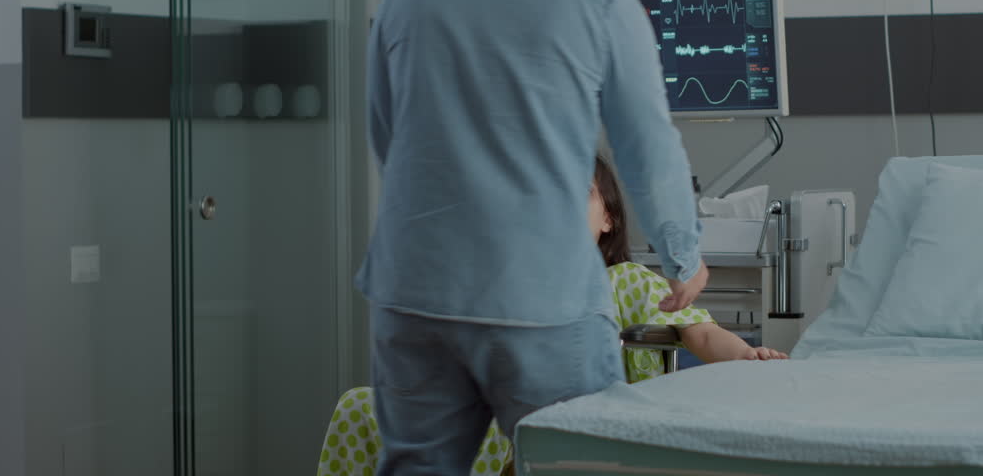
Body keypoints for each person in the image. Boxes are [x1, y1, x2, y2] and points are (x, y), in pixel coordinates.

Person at [358, 0, 709, 474]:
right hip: (539, 300)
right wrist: (682, 254)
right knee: (572, 464)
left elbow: (387, 132)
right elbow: (646, 147)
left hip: (413, 288)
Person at [324, 159, 785, 476]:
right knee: (359, 406)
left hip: (575, 414)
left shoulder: (627, 281)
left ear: (609, 218)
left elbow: (701, 334)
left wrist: (747, 356)